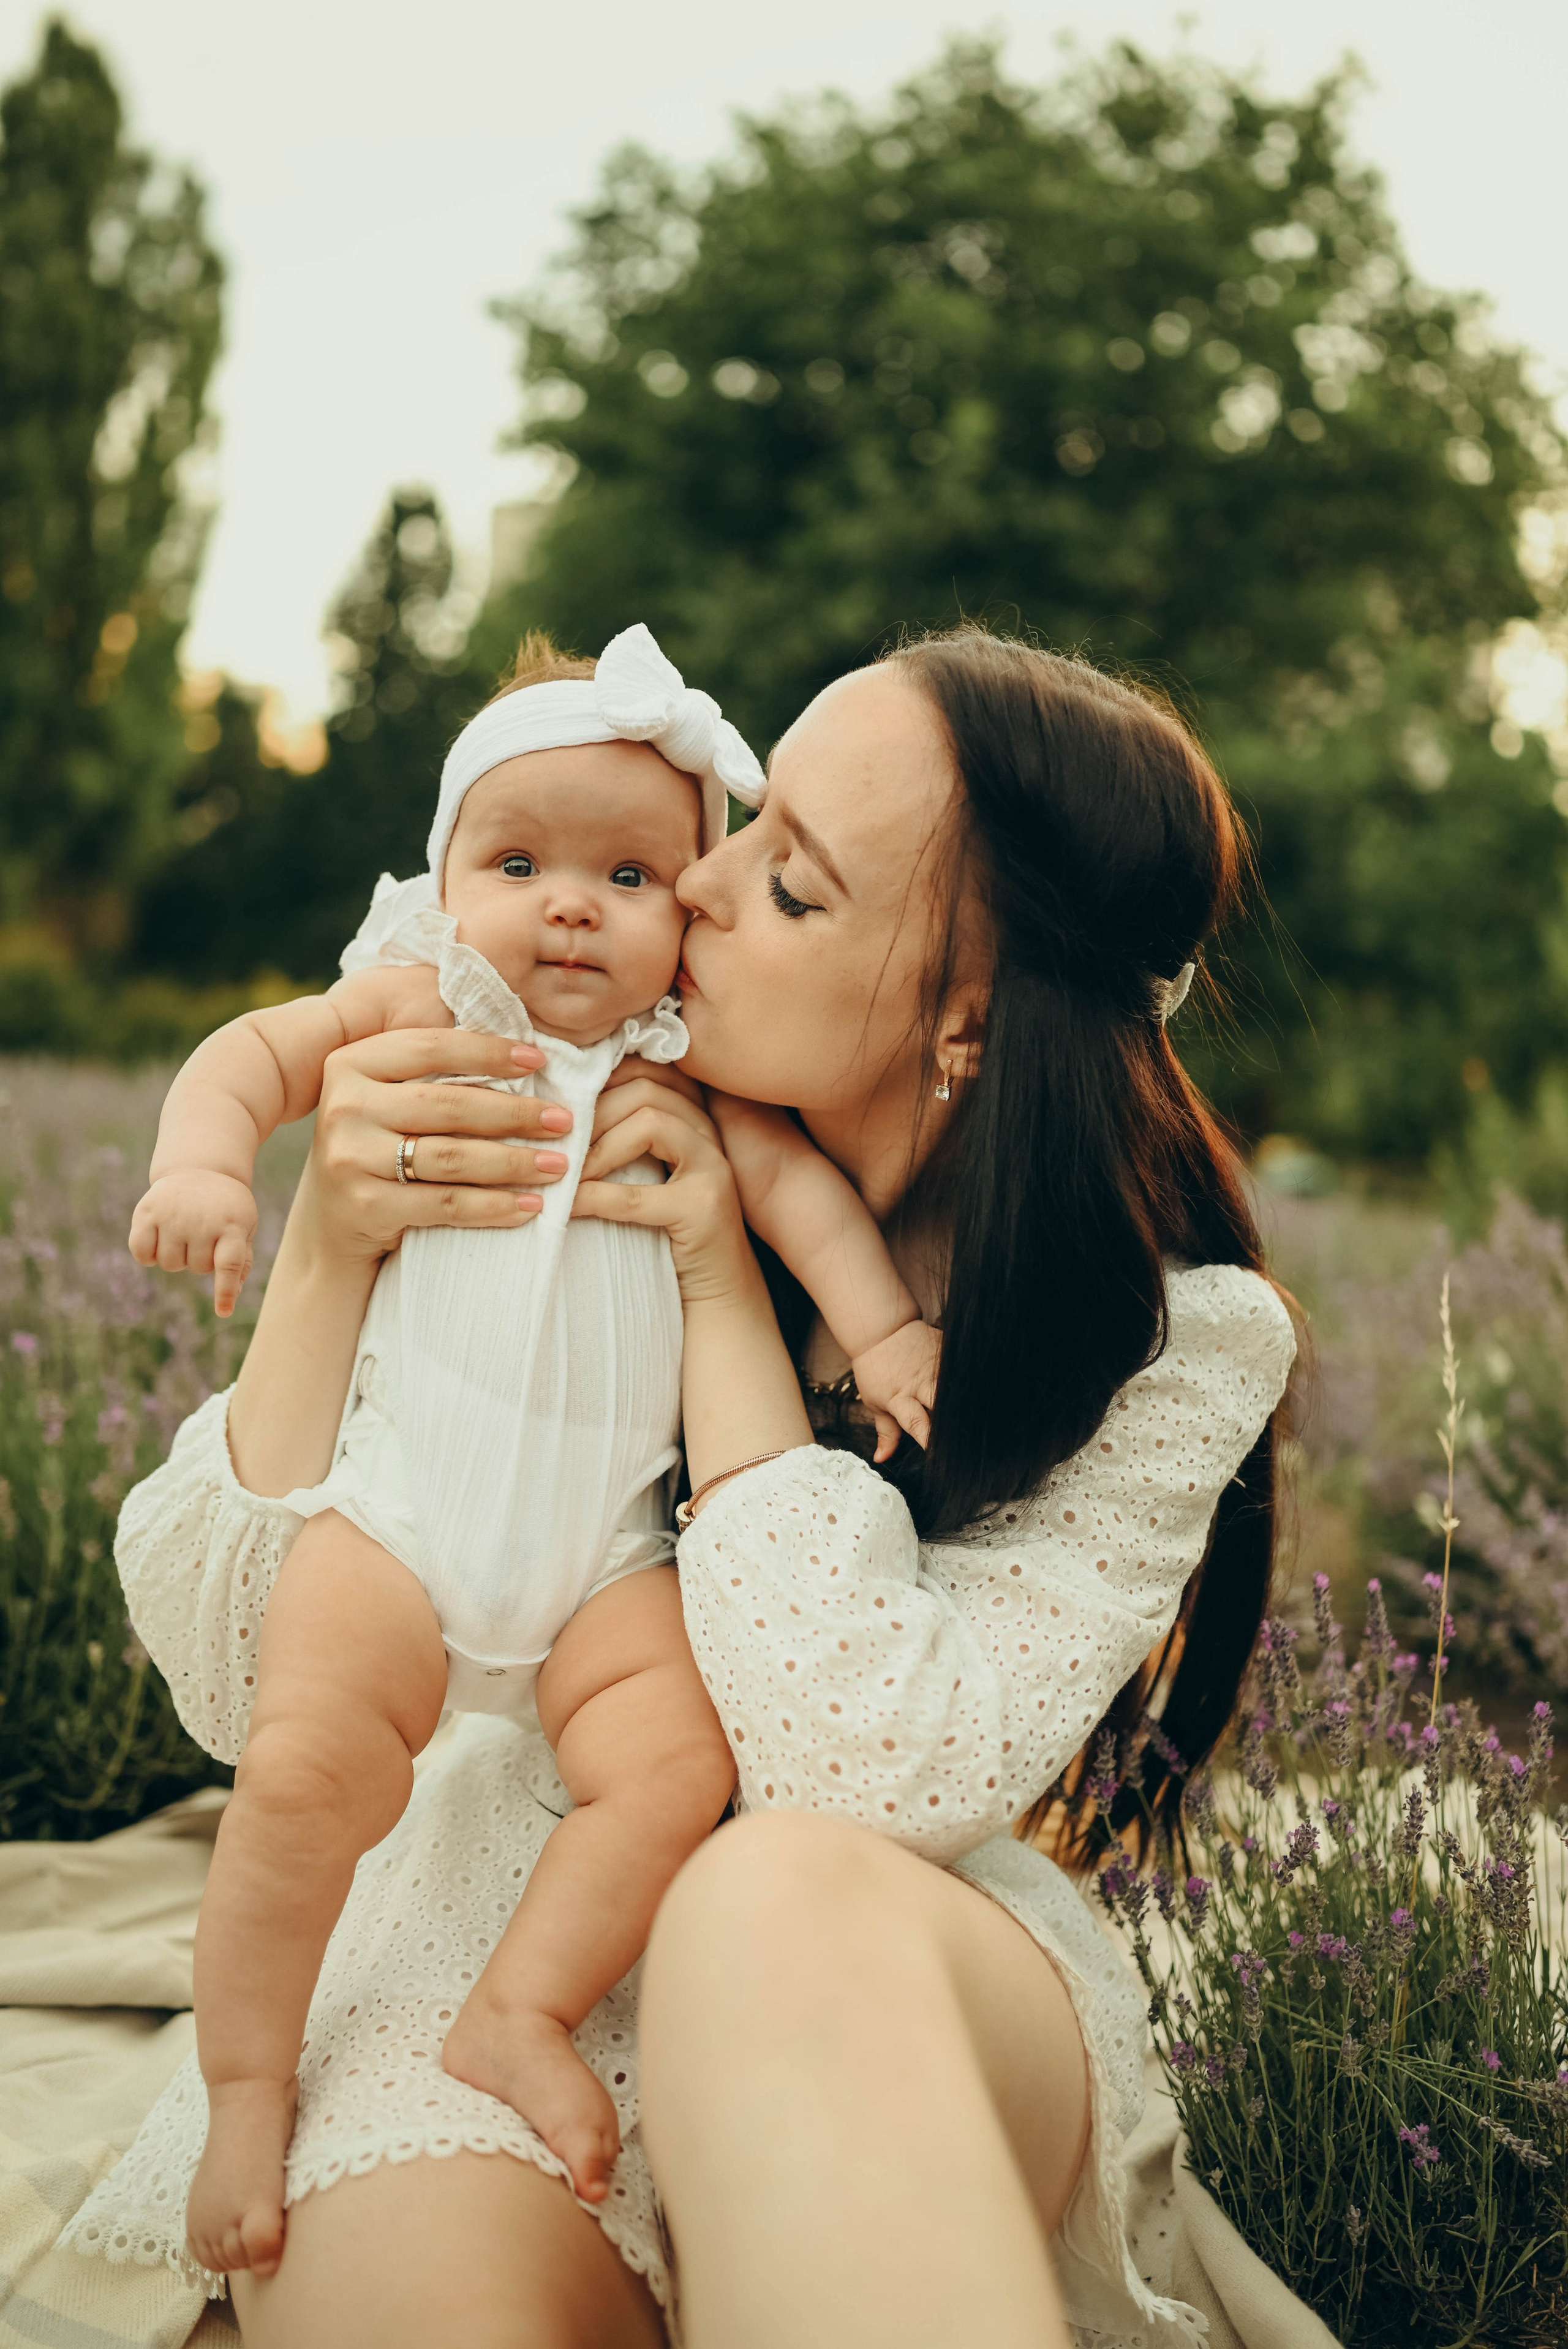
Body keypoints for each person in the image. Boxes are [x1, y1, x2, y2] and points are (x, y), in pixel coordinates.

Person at [69, 625, 1295, 2349]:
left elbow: (848, 1764)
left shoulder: (1180, 1339)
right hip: (501, 1906)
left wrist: (727, 1293)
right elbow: (231, 1673)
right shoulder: (553, 1089)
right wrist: (327, 1254)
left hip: (871, 1959)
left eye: (786, 880)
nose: (694, 888)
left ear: (963, 1019)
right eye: (745, 821)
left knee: (759, 1895)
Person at [125, 624, 941, 2274]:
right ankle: (244, 2082)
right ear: (444, 881)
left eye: (633, 872)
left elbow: (799, 1206)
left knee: (669, 1763)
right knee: (297, 1775)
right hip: (402, 1522)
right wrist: (211, 1167)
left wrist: (884, 1328)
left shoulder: (687, 1074)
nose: (571, 903)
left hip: (602, 1566)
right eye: (520, 861)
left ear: (688, 911)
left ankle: (520, 2005)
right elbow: (250, 1056)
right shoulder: (418, 998)